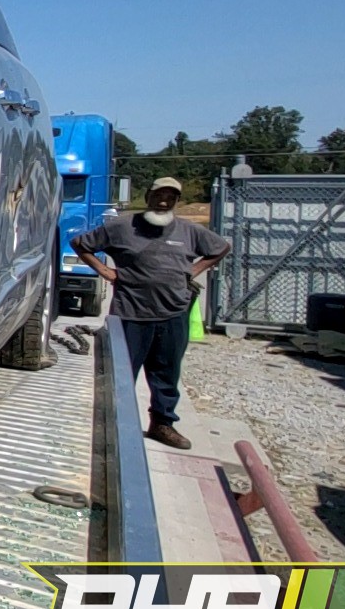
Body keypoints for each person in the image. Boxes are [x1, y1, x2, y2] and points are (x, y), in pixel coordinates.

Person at [71, 176, 230, 449]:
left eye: (171, 197)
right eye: (159, 195)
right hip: (131, 314)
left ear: (177, 201)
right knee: (121, 374)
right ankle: (115, 426)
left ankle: (162, 425)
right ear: (147, 196)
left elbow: (221, 248)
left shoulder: (189, 231)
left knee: (167, 374)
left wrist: (194, 270)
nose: (164, 201)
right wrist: (107, 272)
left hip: (173, 313)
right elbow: (80, 244)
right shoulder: (121, 227)